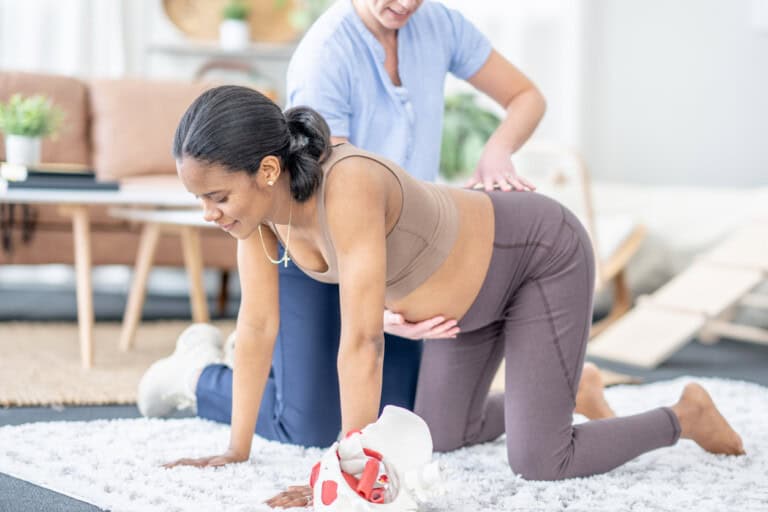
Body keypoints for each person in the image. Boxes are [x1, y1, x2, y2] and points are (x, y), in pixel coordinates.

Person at [163, 86, 745, 499]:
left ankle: (683, 415)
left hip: (537, 257)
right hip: (462, 311)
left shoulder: (349, 184)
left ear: (267, 171)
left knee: (541, 461)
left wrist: (343, 479)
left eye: (217, 196)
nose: (210, 213)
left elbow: (361, 342)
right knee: (437, 433)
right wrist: (237, 449)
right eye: (201, 200)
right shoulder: (256, 221)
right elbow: (259, 331)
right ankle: (572, 387)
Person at [140, 0, 548, 447]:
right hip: (313, 241)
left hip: (393, 253)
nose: (405, 4)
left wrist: (497, 150)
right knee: (306, 426)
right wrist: (382, 310)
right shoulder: (326, 54)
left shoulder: (440, 23)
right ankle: (197, 375)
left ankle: (286, 367)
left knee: (403, 421)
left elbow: (526, 96)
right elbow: (333, 200)